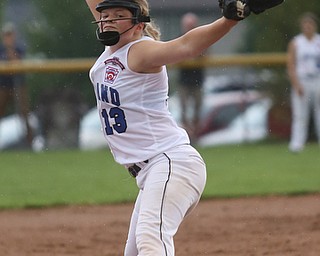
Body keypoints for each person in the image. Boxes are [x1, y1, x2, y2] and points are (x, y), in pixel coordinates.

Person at [84, 0, 249, 255]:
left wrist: (229, 20)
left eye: (119, 16)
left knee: (151, 239)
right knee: (137, 251)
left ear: (138, 25)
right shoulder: (113, 51)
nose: (109, 20)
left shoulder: (138, 51)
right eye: (105, 15)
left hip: (170, 163)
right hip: (152, 172)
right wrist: (112, 13)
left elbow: (186, 45)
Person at [287, 12, 320, 153]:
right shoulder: (296, 43)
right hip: (303, 80)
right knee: (300, 114)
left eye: (310, 24)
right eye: (305, 24)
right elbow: (291, 64)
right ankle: (297, 144)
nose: (308, 26)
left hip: (317, 79)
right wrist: (296, 84)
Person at [0, 22, 33, 147]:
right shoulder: (1, 49)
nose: (8, 38)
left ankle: (30, 143)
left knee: (24, 113)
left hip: (18, 85)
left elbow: (18, 61)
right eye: (6, 35)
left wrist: (11, 52)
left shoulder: (19, 48)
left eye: (10, 35)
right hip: (3, 85)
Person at [178, 12, 205, 142]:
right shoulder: (180, 39)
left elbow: (205, 55)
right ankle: (186, 135)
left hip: (198, 80)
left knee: (197, 110)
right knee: (183, 110)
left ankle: (195, 136)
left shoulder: (201, 38)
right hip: (184, 81)